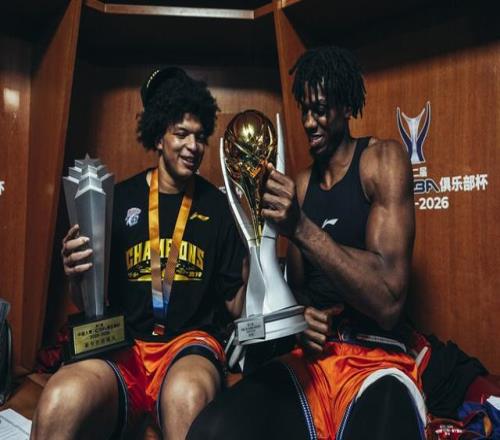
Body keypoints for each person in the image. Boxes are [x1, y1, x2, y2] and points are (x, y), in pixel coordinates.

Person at [187, 46, 426, 440]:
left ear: (346, 107)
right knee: (211, 431)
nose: (310, 122)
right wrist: (303, 318)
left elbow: (388, 301)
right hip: (314, 361)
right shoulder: (299, 184)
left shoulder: (382, 161)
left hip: (377, 360)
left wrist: (299, 226)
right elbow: (298, 291)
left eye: (321, 110)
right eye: (305, 111)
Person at [31, 67, 246, 440]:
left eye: (199, 137)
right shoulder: (119, 200)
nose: (192, 147)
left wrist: (257, 244)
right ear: (159, 136)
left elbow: (236, 306)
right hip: (125, 346)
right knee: (59, 400)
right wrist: (75, 273)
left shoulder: (218, 207)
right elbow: (87, 299)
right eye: (181, 134)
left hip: (188, 347)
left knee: (187, 395)